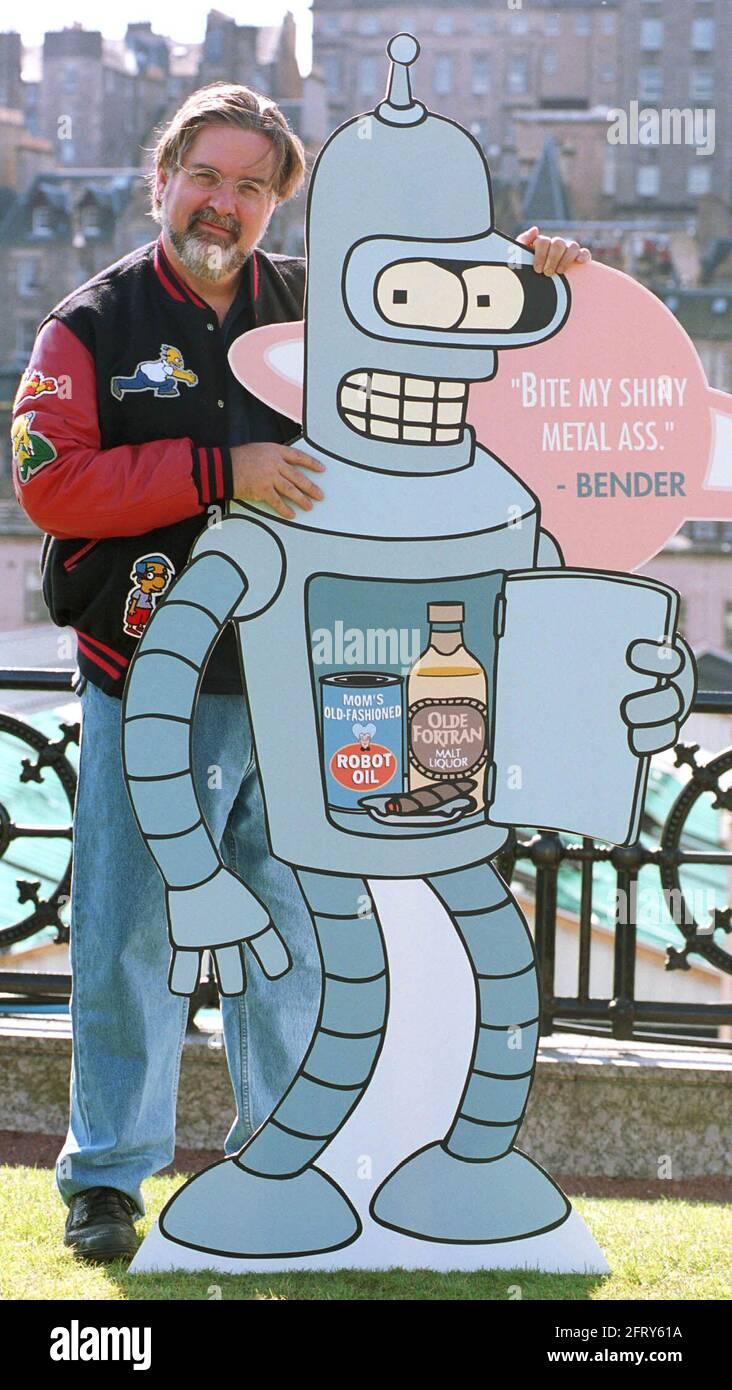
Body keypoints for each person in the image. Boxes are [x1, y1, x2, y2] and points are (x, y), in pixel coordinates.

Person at [11, 80, 590, 1263]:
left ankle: (287, 1161)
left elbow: (438, 334)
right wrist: (222, 470)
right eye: (206, 177)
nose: (224, 205)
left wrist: (533, 273)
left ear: (280, 204)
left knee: (298, 936)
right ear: (162, 176)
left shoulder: (319, 306)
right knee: (128, 942)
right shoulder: (88, 323)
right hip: (143, 680)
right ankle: (109, 1178)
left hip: (297, 685)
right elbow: (48, 485)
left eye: (252, 188)